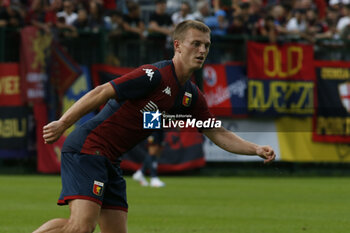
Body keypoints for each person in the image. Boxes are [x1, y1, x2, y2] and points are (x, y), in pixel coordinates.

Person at [34, 20, 276, 233]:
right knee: (81, 227)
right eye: (196, 43)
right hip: (88, 149)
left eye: (206, 45)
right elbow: (101, 91)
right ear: (178, 45)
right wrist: (63, 123)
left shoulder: (191, 96)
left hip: (111, 160)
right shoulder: (154, 75)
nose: (202, 50)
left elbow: (217, 132)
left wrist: (255, 149)